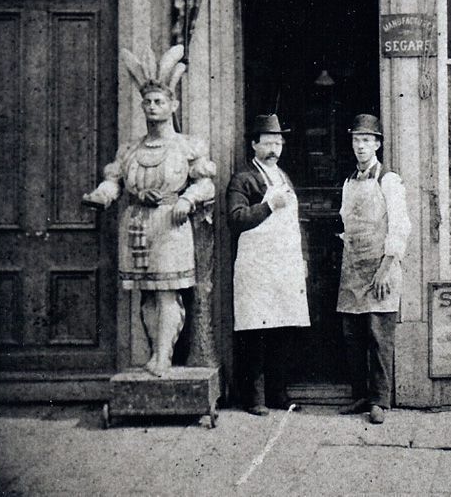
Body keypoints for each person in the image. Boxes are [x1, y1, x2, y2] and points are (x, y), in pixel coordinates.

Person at [84, 45, 216, 377]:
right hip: (138, 223)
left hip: (171, 223)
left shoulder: (186, 146)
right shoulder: (130, 149)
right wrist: (102, 195)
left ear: (173, 105)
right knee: (146, 293)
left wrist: (187, 200)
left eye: (159, 101)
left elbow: (206, 184)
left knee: (168, 292)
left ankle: (163, 356)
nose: (153, 107)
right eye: (148, 102)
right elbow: (114, 181)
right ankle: (154, 351)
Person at [226, 114, 311, 415]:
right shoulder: (243, 179)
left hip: (284, 264)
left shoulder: (283, 177)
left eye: (278, 143)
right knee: (255, 332)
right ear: (254, 144)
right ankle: (254, 398)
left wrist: (303, 258)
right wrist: (268, 206)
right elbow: (236, 218)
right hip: (257, 266)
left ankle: (278, 394)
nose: (274, 149)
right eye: (268, 143)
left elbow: (295, 222)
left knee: (282, 330)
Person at [336, 114, 411, 424]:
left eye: (367, 140)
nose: (361, 146)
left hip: (381, 268)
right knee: (352, 335)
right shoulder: (349, 181)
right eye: (357, 140)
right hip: (353, 268)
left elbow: (400, 227)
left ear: (377, 144)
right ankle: (361, 396)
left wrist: (385, 268)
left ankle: (379, 400)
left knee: (379, 337)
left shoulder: (388, 180)